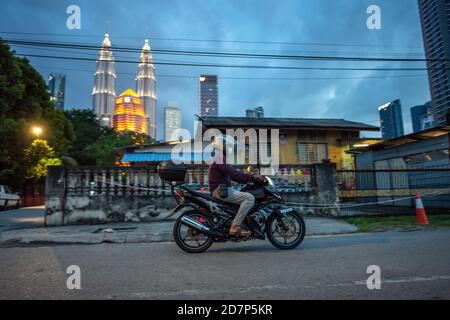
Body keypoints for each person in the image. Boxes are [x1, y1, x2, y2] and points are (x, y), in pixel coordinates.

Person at [208, 135, 265, 237]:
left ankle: (237, 223)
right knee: (249, 198)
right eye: (229, 147)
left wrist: (247, 178)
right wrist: (253, 177)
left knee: (244, 195)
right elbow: (234, 174)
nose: (231, 149)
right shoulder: (220, 158)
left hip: (222, 189)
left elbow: (232, 175)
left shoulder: (221, 158)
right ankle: (235, 227)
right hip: (220, 191)